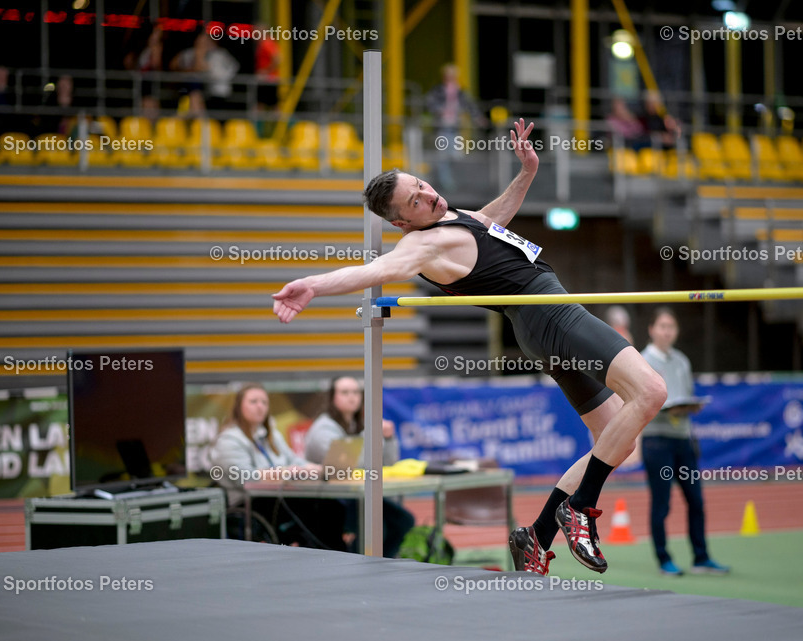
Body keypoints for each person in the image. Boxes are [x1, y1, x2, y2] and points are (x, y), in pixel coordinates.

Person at [273, 118, 668, 576]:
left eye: (421, 184)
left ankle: (538, 536)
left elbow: (492, 220)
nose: (427, 195)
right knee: (652, 392)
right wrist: (311, 285)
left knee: (614, 441)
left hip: (541, 325)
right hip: (550, 314)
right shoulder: (420, 245)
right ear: (403, 220)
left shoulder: (452, 219)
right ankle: (580, 508)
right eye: (415, 201)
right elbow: (370, 271)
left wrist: (526, 173)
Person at [640, 307, 729, 576]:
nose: (667, 331)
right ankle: (663, 558)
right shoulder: (642, 360)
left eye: (671, 326)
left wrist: (689, 408)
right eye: (662, 326)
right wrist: (667, 409)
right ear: (652, 329)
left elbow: (686, 393)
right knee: (662, 502)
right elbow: (640, 402)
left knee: (696, 501)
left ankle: (701, 558)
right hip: (657, 440)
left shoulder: (681, 361)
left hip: (682, 439)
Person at [209, 383, 347, 550]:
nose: (260, 406)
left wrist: (317, 469)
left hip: (279, 497)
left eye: (264, 402)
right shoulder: (229, 441)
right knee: (319, 510)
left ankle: (334, 554)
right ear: (239, 407)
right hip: (250, 503)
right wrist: (286, 472)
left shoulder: (270, 434)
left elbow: (293, 460)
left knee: (332, 507)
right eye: (253, 402)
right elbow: (246, 478)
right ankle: (330, 555)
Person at [303, 376, 415, 558]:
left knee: (403, 521)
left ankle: (379, 564)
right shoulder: (323, 430)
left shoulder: (357, 425)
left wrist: (388, 438)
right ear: (332, 397)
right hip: (328, 500)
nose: (352, 397)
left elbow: (387, 464)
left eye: (356, 392)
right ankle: (358, 564)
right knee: (378, 528)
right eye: (345, 392)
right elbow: (347, 467)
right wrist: (370, 435)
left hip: (356, 495)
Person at [425, 63, 486, 191]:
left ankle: (446, 179)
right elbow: (430, 103)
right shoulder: (438, 90)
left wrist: (478, 118)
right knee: (442, 156)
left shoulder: (460, 92)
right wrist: (440, 110)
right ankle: (444, 181)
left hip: (454, 128)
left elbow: (470, 106)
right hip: (442, 127)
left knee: (455, 154)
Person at [171, 31, 239, 113]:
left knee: (196, 94)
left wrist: (199, 56)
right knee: (194, 93)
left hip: (214, 93)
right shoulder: (189, 53)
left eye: (205, 42)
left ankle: (199, 122)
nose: (202, 44)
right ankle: (197, 122)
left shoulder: (218, 54)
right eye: (200, 41)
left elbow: (201, 68)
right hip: (188, 90)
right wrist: (185, 71)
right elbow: (173, 65)